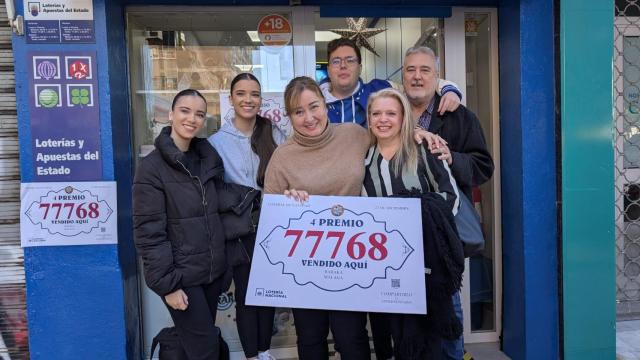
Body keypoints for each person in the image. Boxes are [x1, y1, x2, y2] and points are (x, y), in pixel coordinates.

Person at [264, 76, 438, 360]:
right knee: (310, 338)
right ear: (289, 116)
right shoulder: (282, 157)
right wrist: (287, 201)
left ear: (325, 105)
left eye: (314, 107)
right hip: (306, 266)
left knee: (352, 338)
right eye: (298, 112)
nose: (309, 118)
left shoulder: (354, 135)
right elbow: (270, 211)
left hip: (350, 264)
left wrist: (420, 133)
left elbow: (390, 132)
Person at [133, 89, 248, 360]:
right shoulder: (151, 169)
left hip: (211, 273)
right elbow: (149, 233)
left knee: (196, 346)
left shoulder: (207, 158)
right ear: (171, 114)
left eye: (199, 114)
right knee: (206, 348)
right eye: (185, 111)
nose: (192, 119)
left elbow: (221, 204)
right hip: (181, 278)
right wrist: (168, 286)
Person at [402, 46, 495, 360]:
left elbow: (483, 167)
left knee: (448, 310)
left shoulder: (459, 116)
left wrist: (452, 158)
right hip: (398, 231)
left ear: (437, 77)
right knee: (406, 312)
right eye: (411, 69)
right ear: (402, 75)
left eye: (425, 70)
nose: (417, 76)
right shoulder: (390, 113)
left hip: (444, 231)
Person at [362, 87, 464, 360]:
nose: (383, 119)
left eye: (391, 113)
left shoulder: (423, 149)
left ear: (403, 117)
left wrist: (414, 213)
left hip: (430, 260)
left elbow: (450, 198)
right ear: (369, 118)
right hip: (386, 266)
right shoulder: (364, 160)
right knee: (397, 335)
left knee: (439, 338)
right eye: (377, 113)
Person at [208, 73, 287, 360]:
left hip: (273, 223)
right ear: (231, 99)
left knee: (267, 292)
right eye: (241, 93)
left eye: (254, 94)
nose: (248, 100)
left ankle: (265, 352)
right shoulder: (216, 142)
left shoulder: (273, 132)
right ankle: (252, 355)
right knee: (245, 293)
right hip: (240, 227)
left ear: (261, 99)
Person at [320, 37, 463, 127]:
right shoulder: (315, 103)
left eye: (350, 60)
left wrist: (450, 89)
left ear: (360, 68)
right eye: (336, 61)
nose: (343, 66)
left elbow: (416, 83)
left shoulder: (379, 90)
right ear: (328, 68)